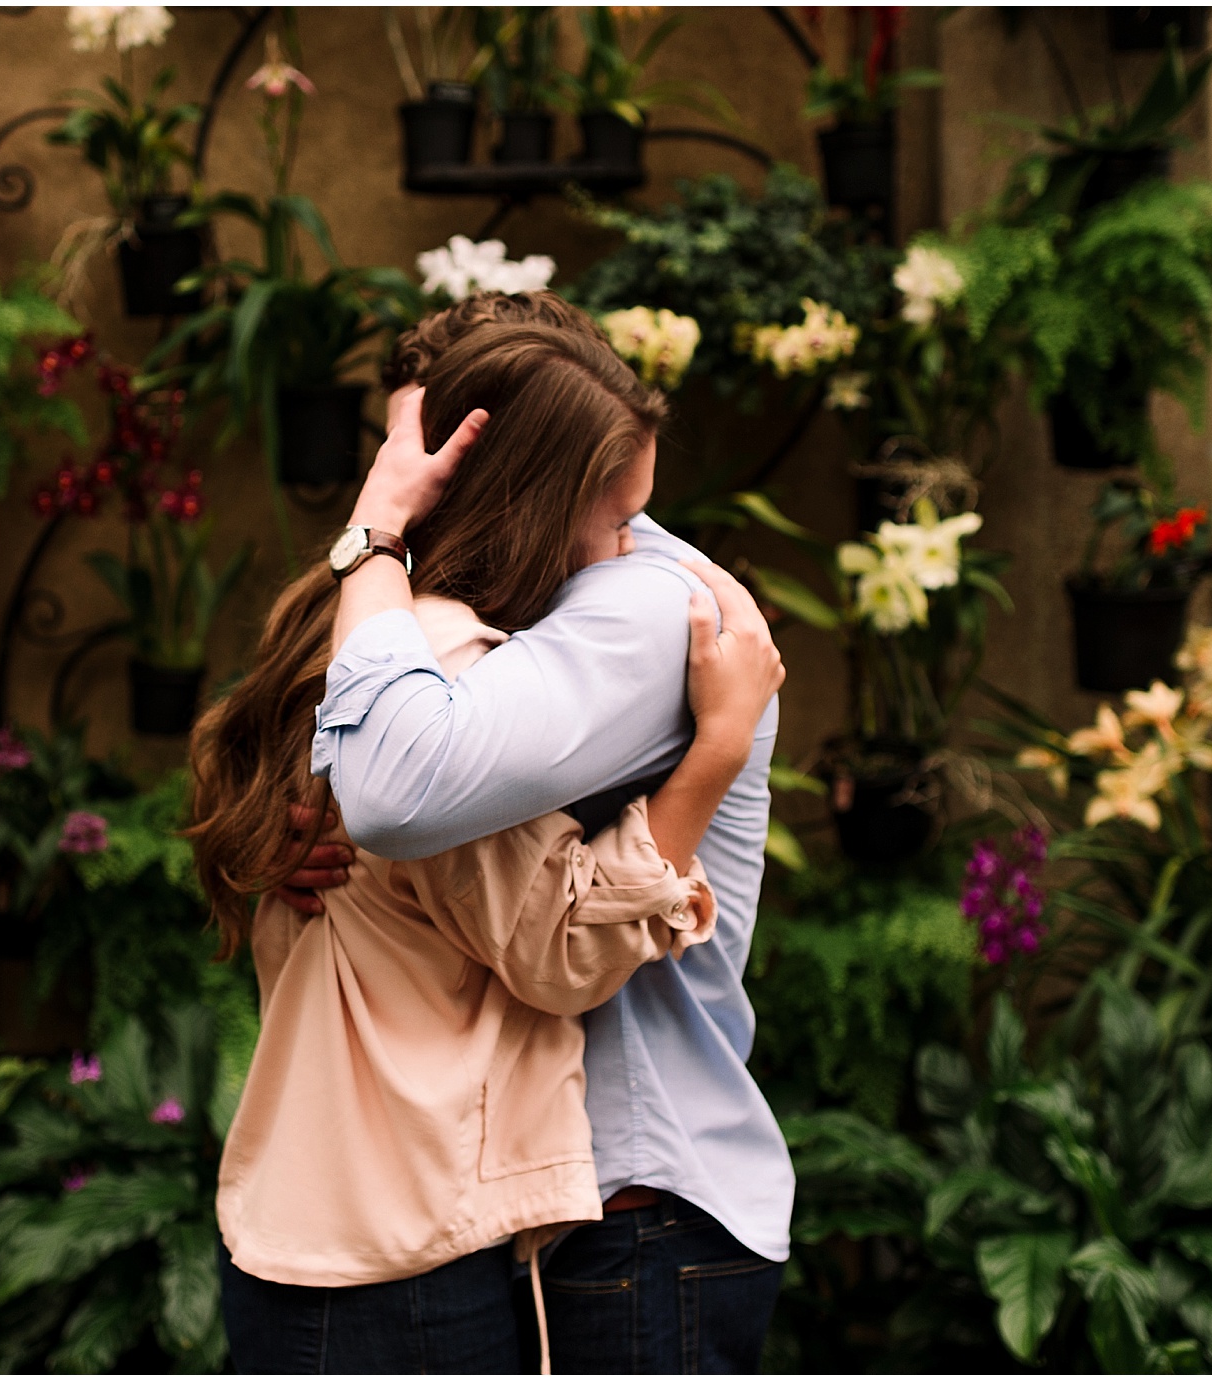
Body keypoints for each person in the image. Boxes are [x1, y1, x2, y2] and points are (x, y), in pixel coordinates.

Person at [192, 321, 786, 1374]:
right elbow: (543, 941)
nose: (628, 551)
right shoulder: (431, 669)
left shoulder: (362, 632)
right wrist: (715, 754)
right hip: (426, 1226)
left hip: (403, 1206)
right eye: (613, 519)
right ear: (533, 491)